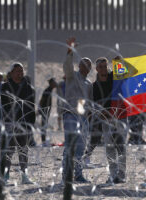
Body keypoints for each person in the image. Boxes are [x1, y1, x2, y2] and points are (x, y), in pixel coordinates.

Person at [62, 37, 93, 183]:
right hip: (70, 116)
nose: (85, 67)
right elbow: (67, 66)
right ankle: (66, 176)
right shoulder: (72, 76)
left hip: (82, 117)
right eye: (83, 64)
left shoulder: (88, 84)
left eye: (88, 65)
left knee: (80, 148)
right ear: (79, 66)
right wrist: (70, 52)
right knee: (69, 146)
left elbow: (87, 102)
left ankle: (78, 174)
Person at [0, 62, 36, 184]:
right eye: (17, 71)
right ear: (11, 73)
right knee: (8, 151)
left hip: (24, 123)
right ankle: (5, 176)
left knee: (23, 150)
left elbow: (31, 108)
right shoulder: (5, 87)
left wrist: (31, 125)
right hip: (10, 123)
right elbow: (2, 107)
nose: (20, 73)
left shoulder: (28, 88)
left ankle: (24, 176)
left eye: (21, 71)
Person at [38, 78, 58, 146]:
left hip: (46, 111)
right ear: (51, 83)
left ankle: (44, 140)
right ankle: (43, 141)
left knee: (44, 125)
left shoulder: (50, 90)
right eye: (54, 82)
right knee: (43, 126)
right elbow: (42, 101)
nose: (56, 83)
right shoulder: (47, 91)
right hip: (44, 111)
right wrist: (40, 110)